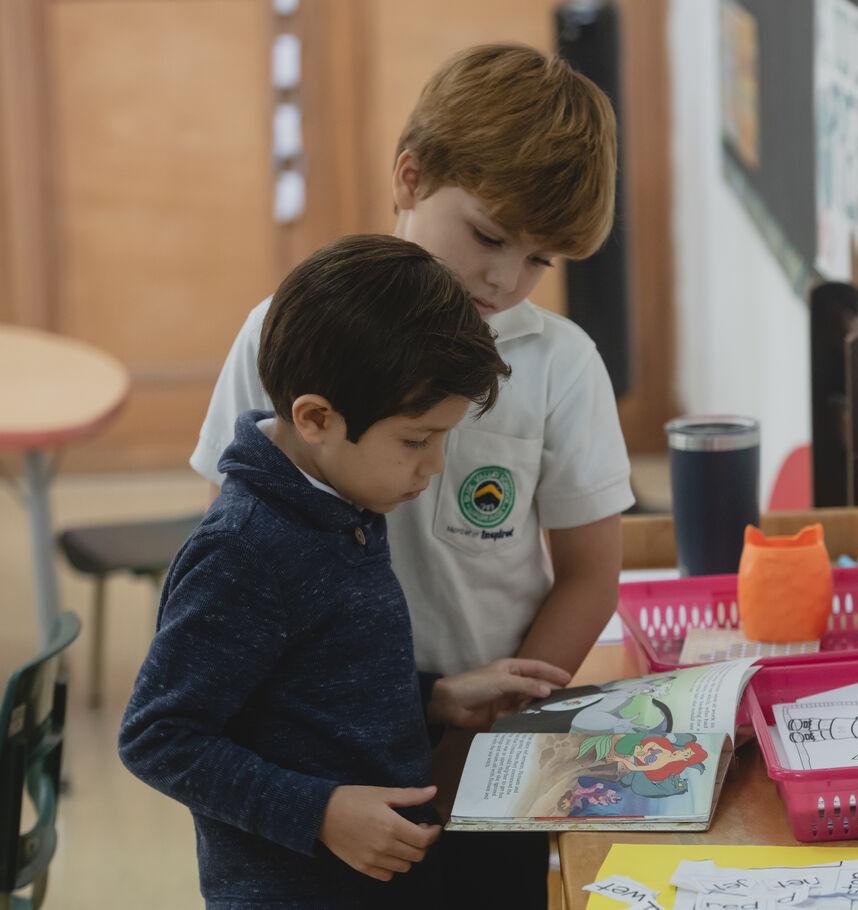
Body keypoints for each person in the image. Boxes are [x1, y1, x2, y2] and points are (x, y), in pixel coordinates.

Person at [188, 44, 633, 906]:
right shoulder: (285, 330)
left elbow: (589, 576)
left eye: (540, 260)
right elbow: (227, 559)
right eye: (490, 236)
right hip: (308, 765)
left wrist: (483, 742)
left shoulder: (561, 366)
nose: (507, 278)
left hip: (481, 756)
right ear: (410, 178)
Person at [119, 235, 571, 909]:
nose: (435, 465)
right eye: (417, 441)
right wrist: (319, 812)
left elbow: (312, 684)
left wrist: (434, 697)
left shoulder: (343, 504)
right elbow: (158, 737)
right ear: (316, 419)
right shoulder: (244, 551)